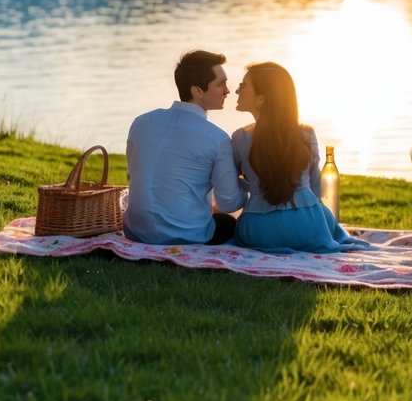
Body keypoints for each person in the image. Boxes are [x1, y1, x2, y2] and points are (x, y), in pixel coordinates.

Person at [232, 61, 367, 253]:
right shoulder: (306, 134)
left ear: (261, 99)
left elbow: (231, 184)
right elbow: (315, 187)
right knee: (326, 216)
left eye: (243, 85)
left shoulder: (240, 138)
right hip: (309, 227)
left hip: (259, 230)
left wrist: (252, 186)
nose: (237, 91)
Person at [124, 49, 245, 244]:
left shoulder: (142, 122)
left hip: (136, 231)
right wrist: (245, 182)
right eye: (220, 84)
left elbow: (134, 171)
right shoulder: (217, 139)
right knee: (228, 222)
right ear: (196, 91)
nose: (227, 90)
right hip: (186, 236)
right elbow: (228, 202)